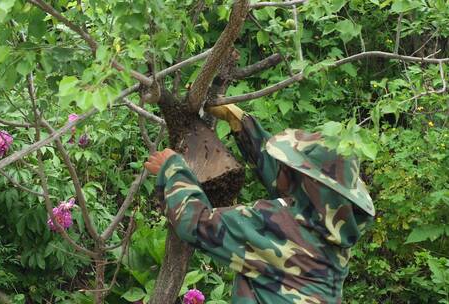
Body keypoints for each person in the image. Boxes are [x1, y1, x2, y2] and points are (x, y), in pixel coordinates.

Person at [144, 104, 375, 304]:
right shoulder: (335, 227)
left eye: (294, 167)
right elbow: (287, 182)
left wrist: (172, 168)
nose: (285, 168)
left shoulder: (277, 225)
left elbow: (195, 222)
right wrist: (241, 124)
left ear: (308, 185)